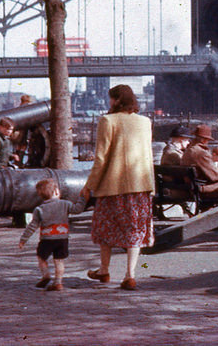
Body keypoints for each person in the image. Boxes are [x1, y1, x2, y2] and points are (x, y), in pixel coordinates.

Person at [80, 84, 154, 291]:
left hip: (112, 186)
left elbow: (101, 159)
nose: (108, 103)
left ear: (116, 100)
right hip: (140, 186)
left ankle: (104, 270)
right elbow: (148, 156)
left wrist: (89, 186)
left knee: (106, 229)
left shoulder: (107, 120)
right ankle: (130, 275)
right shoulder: (145, 122)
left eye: (110, 99)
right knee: (135, 231)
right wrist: (151, 187)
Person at [18, 178, 85, 291]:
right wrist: (83, 198)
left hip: (47, 239)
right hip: (62, 238)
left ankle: (46, 275)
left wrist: (23, 239)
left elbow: (32, 226)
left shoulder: (40, 209)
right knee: (59, 260)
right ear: (56, 192)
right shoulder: (65, 204)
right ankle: (58, 282)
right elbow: (77, 209)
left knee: (41, 257)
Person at [182, 125, 218, 197]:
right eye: (208, 140)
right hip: (200, 188)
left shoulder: (188, 150)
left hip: (190, 185)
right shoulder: (201, 153)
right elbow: (215, 175)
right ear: (204, 140)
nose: (208, 142)